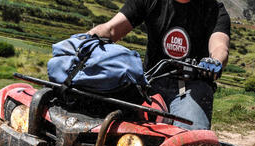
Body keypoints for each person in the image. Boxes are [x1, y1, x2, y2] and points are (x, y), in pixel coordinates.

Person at [88, 0, 230, 130]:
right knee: (116, 126)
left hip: (191, 86)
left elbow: (220, 46)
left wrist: (215, 61)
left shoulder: (214, 9)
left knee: (192, 141)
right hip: (151, 81)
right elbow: (111, 29)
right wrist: (83, 41)